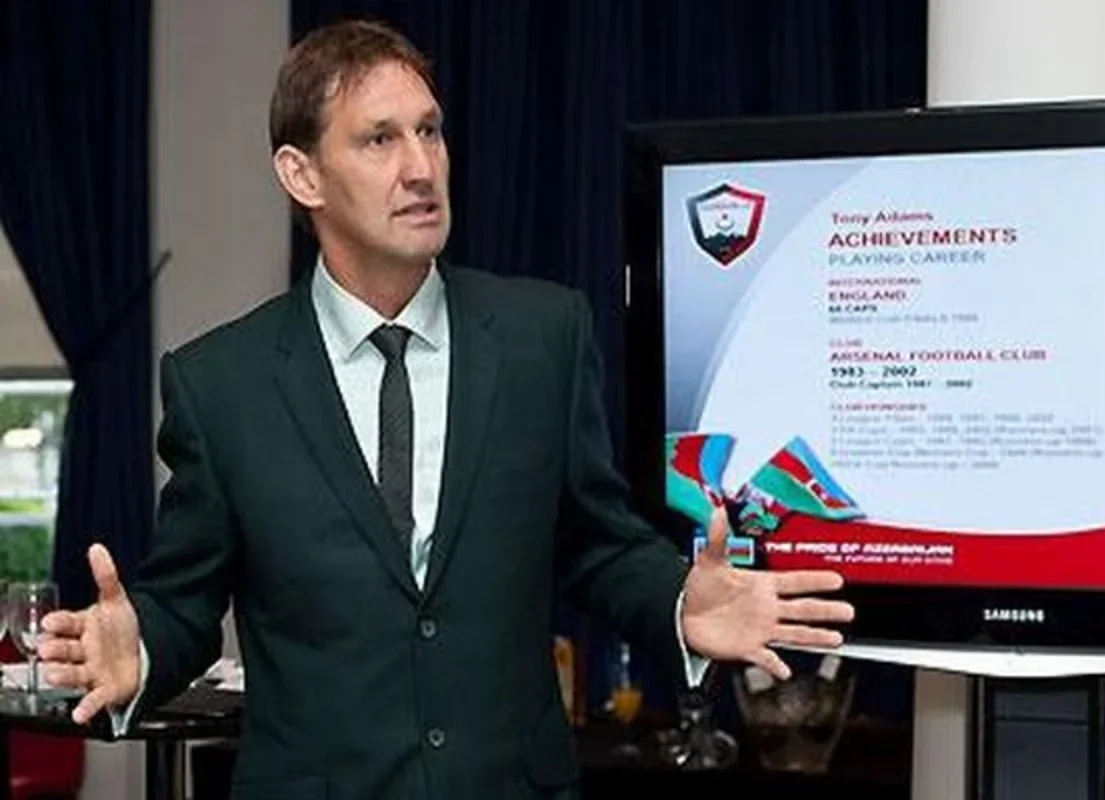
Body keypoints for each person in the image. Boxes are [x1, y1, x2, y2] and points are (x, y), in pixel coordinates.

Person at [36, 19, 854, 800]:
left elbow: (599, 545)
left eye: (429, 131)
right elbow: (185, 598)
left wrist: (679, 601)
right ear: (302, 175)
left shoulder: (542, 338)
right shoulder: (221, 383)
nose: (421, 167)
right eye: (379, 140)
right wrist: (139, 650)